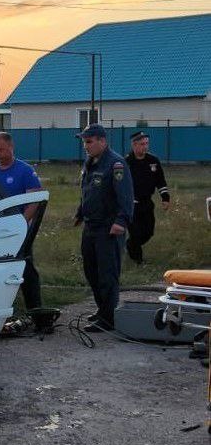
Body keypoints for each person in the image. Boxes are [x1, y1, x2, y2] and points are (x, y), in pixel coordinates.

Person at [73, 123, 135, 332]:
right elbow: (88, 191)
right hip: (91, 226)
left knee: (107, 273)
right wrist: (80, 212)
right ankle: (102, 310)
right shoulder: (90, 162)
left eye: (89, 141)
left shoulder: (116, 164)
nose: (86, 146)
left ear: (102, 141)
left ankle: (108, 318)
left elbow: (126, 196)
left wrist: (121, 221)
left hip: (108, 228)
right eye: (84, 142)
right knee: (91, 271)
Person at [0, 132, 44, 309]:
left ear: (11, 148)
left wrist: (21, 225)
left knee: (25, 269)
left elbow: (34, 201)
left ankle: (35, 311)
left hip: (17, 231)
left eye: (0, 150)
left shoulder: (25, 170)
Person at [124, 130, 171, 264]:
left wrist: (165, 198)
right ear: (134, 145)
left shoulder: (153, 161)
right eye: (142, 144)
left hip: (147, 203)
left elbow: (160, 181)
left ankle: (130, 245)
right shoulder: (126, 162)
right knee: (136, 232)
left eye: (147, 143)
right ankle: (138, 260)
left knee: (148, 232)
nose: (145, 146)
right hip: (131, 204)